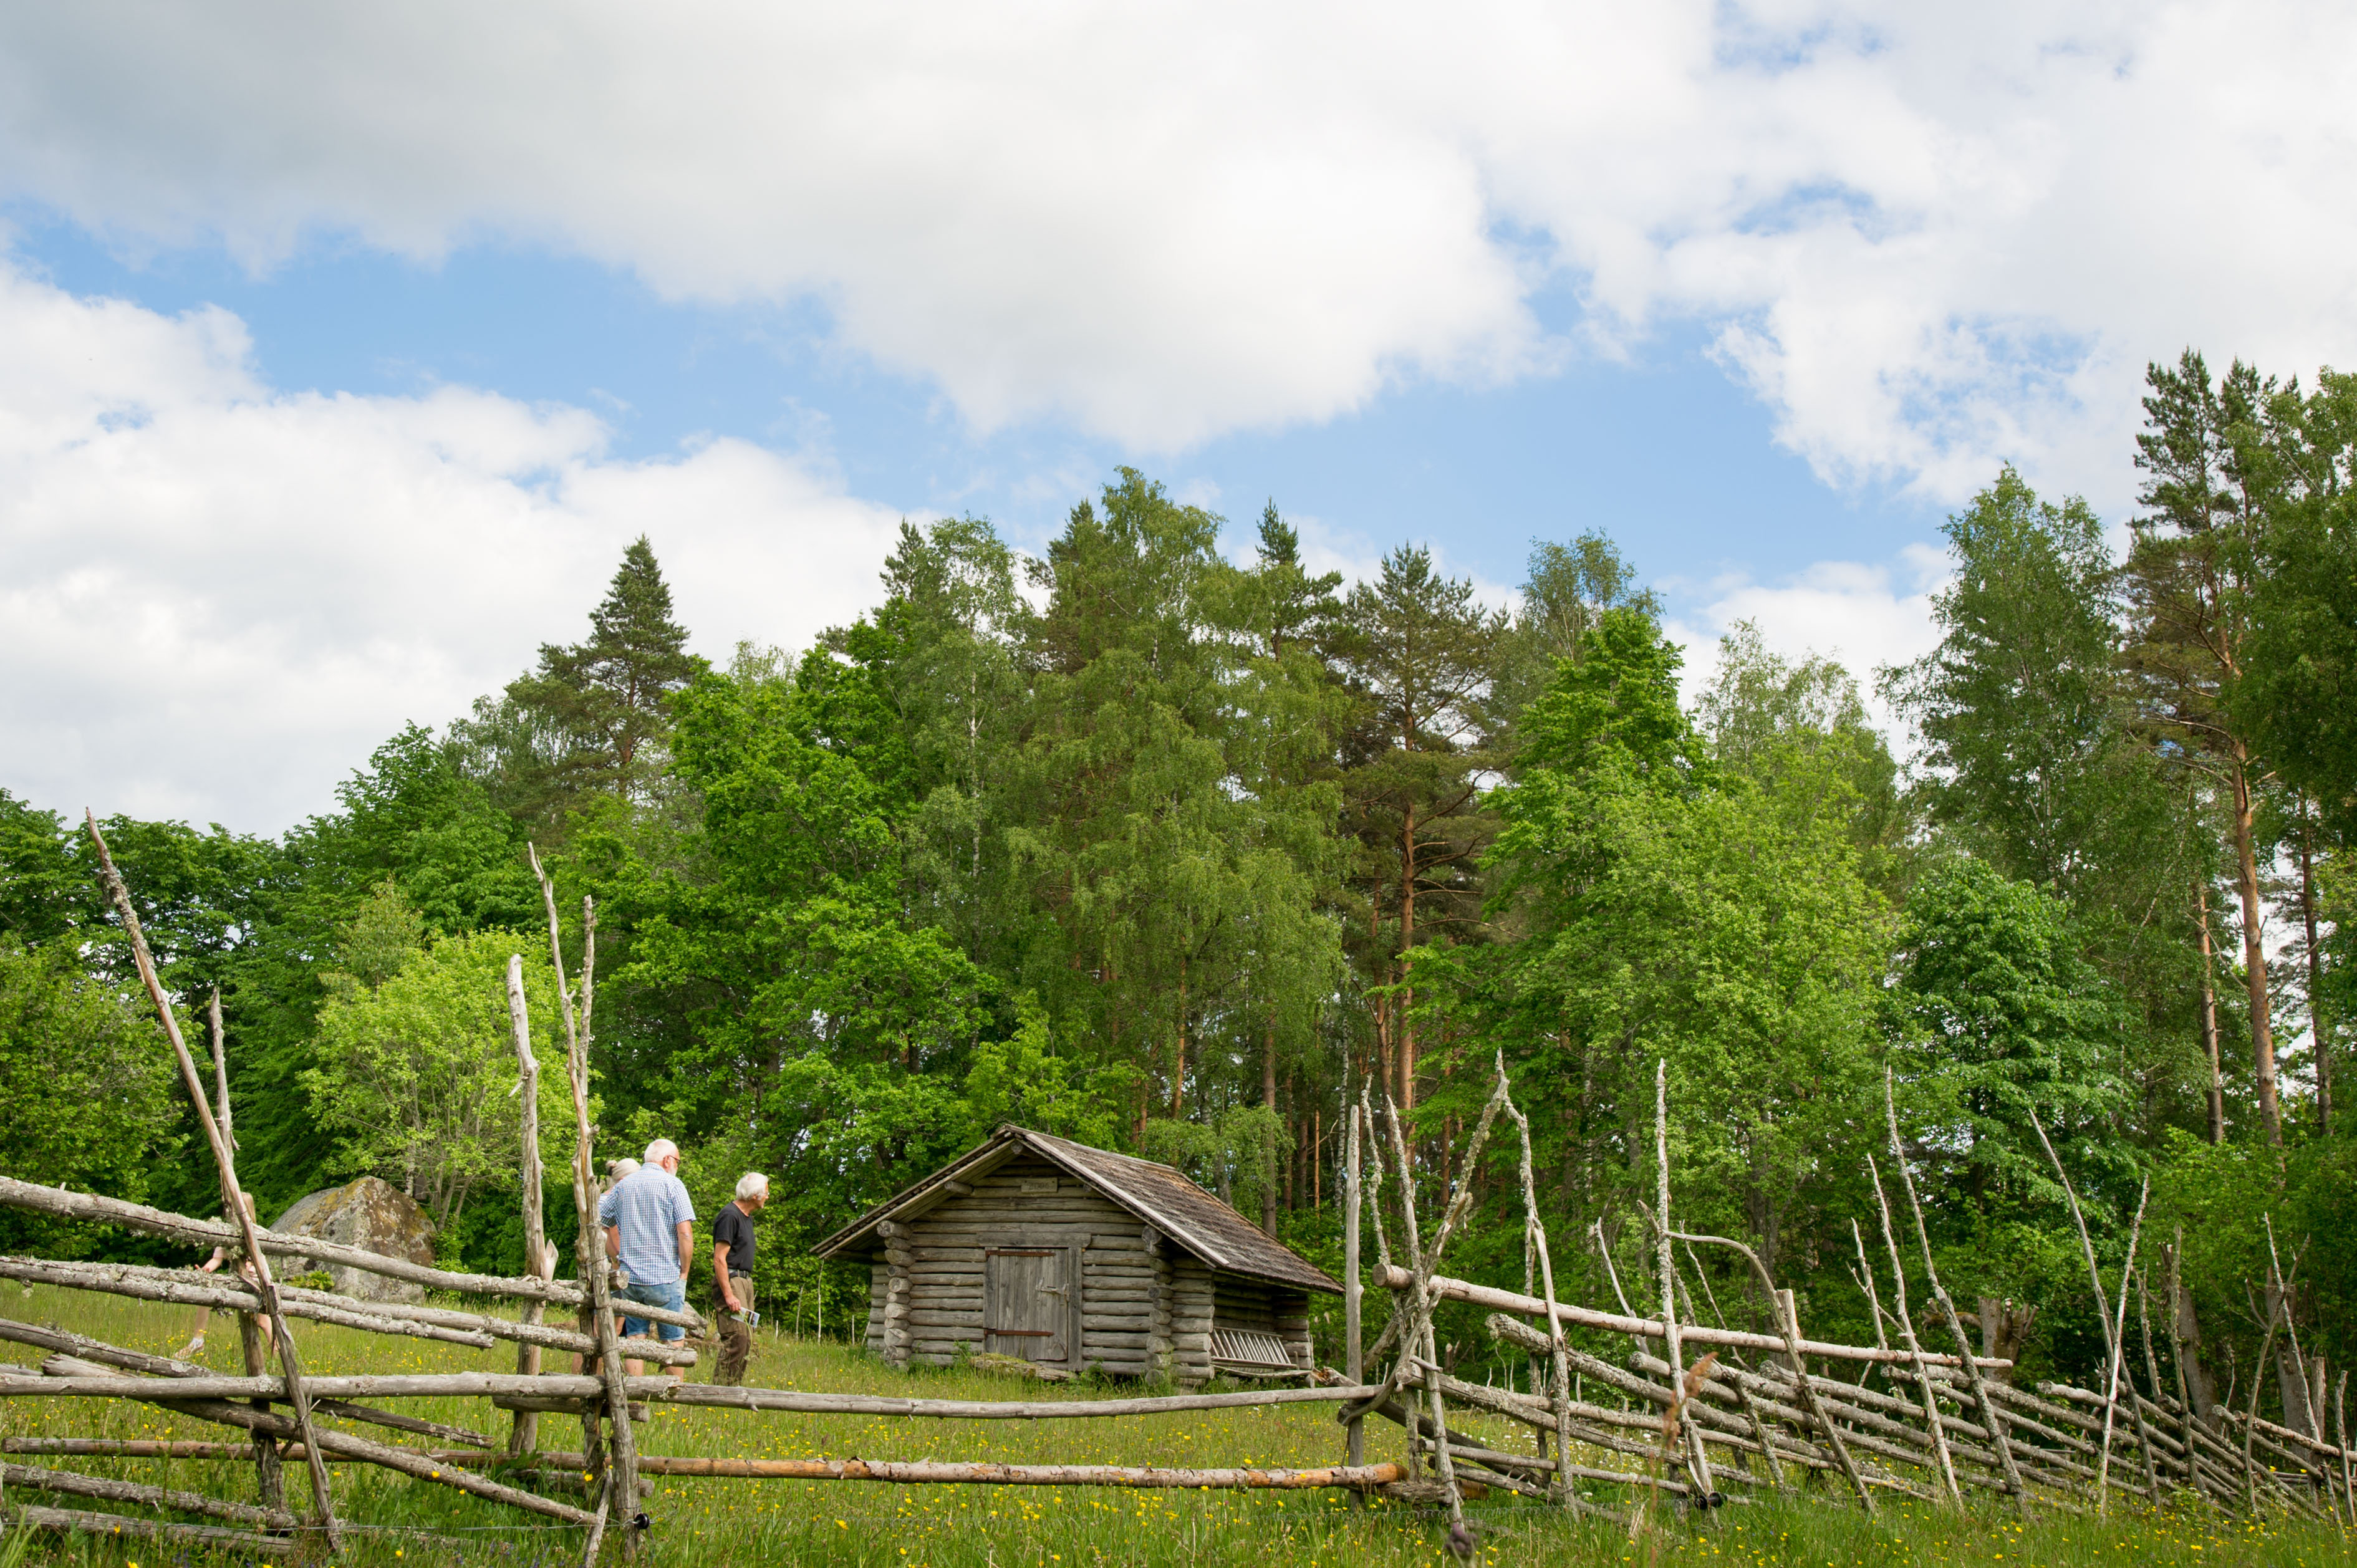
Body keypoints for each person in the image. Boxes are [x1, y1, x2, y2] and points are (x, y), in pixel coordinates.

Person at [597, 1138, 695, 1382]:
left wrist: (617, 1259)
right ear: (667, 1160)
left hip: (631, 1278)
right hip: (664, 1276)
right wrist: (684, 1272)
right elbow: (685, 1232)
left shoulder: (624, 1186)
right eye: (678, 1162)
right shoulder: (673, 1185)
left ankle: (635, 1394)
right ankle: (673, 1395)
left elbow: (602, 1222)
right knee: (672, 1339)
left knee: (636, 1339)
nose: (677, 1167)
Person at [175, 1191, 261, 1362]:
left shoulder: (257, 1232)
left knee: (264, 1323)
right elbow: (217, 1259)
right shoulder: (228, 1234)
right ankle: (197, 1341)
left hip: (256, 1283)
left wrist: (251, 1267)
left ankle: (276, 1352)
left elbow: (261, 1261)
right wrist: (205, 1271)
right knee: (206, 1297)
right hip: (238, 1281)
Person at [711, 1173, 767, 1387]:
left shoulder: (747, 1217)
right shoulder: (729, 1215)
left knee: (747, 1338)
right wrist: (728, 1294)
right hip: (732, 1279)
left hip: (745, 1281)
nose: (767, 1197)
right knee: (737, 1337)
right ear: (755, 1194)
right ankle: (721, 1391)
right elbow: (719, 1258)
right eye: (766, 1192)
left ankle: (733, 1387)